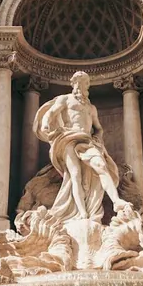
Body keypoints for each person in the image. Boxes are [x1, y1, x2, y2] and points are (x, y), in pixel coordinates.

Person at [34, 71, 128, 221]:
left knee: (101, 166)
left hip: (87, 140)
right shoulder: (65, 100)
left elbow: (98, 128)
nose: (81, 85)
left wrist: (97, 138)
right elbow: (51, 113)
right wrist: (45, 125)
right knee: (75, 175)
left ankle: (116, 201)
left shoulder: (91, 108)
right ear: (73, 84)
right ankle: (82, 213)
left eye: (84, 82)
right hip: (68, 139)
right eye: (78, 82)